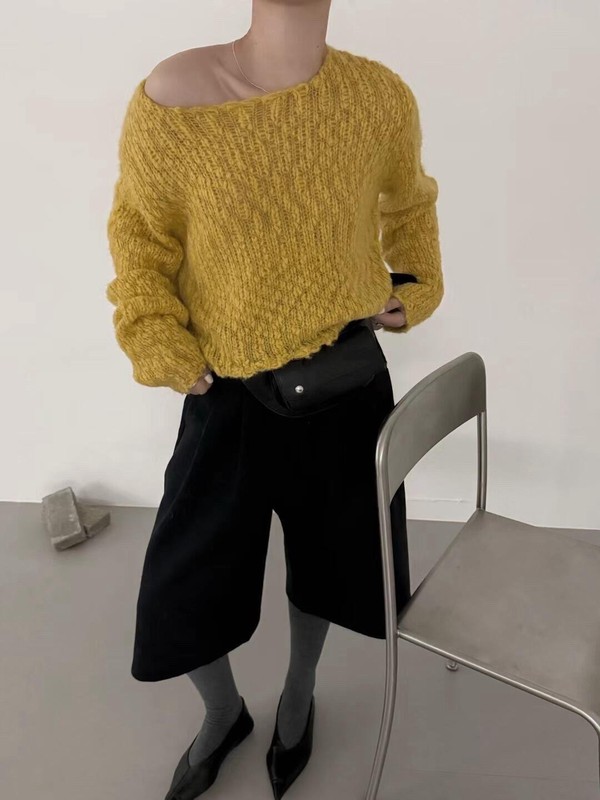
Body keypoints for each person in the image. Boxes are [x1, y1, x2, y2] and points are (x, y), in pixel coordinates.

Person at [105, 1, 443, 797]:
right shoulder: (174, 96)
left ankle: (298, 694)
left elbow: (410, 202)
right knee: (184, 588)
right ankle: (223, 714)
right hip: (226, 392)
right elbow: (141, 238)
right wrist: (158, 342)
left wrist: (413, 286)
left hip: (344, 385)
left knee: (329, 567)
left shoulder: (378, 97)